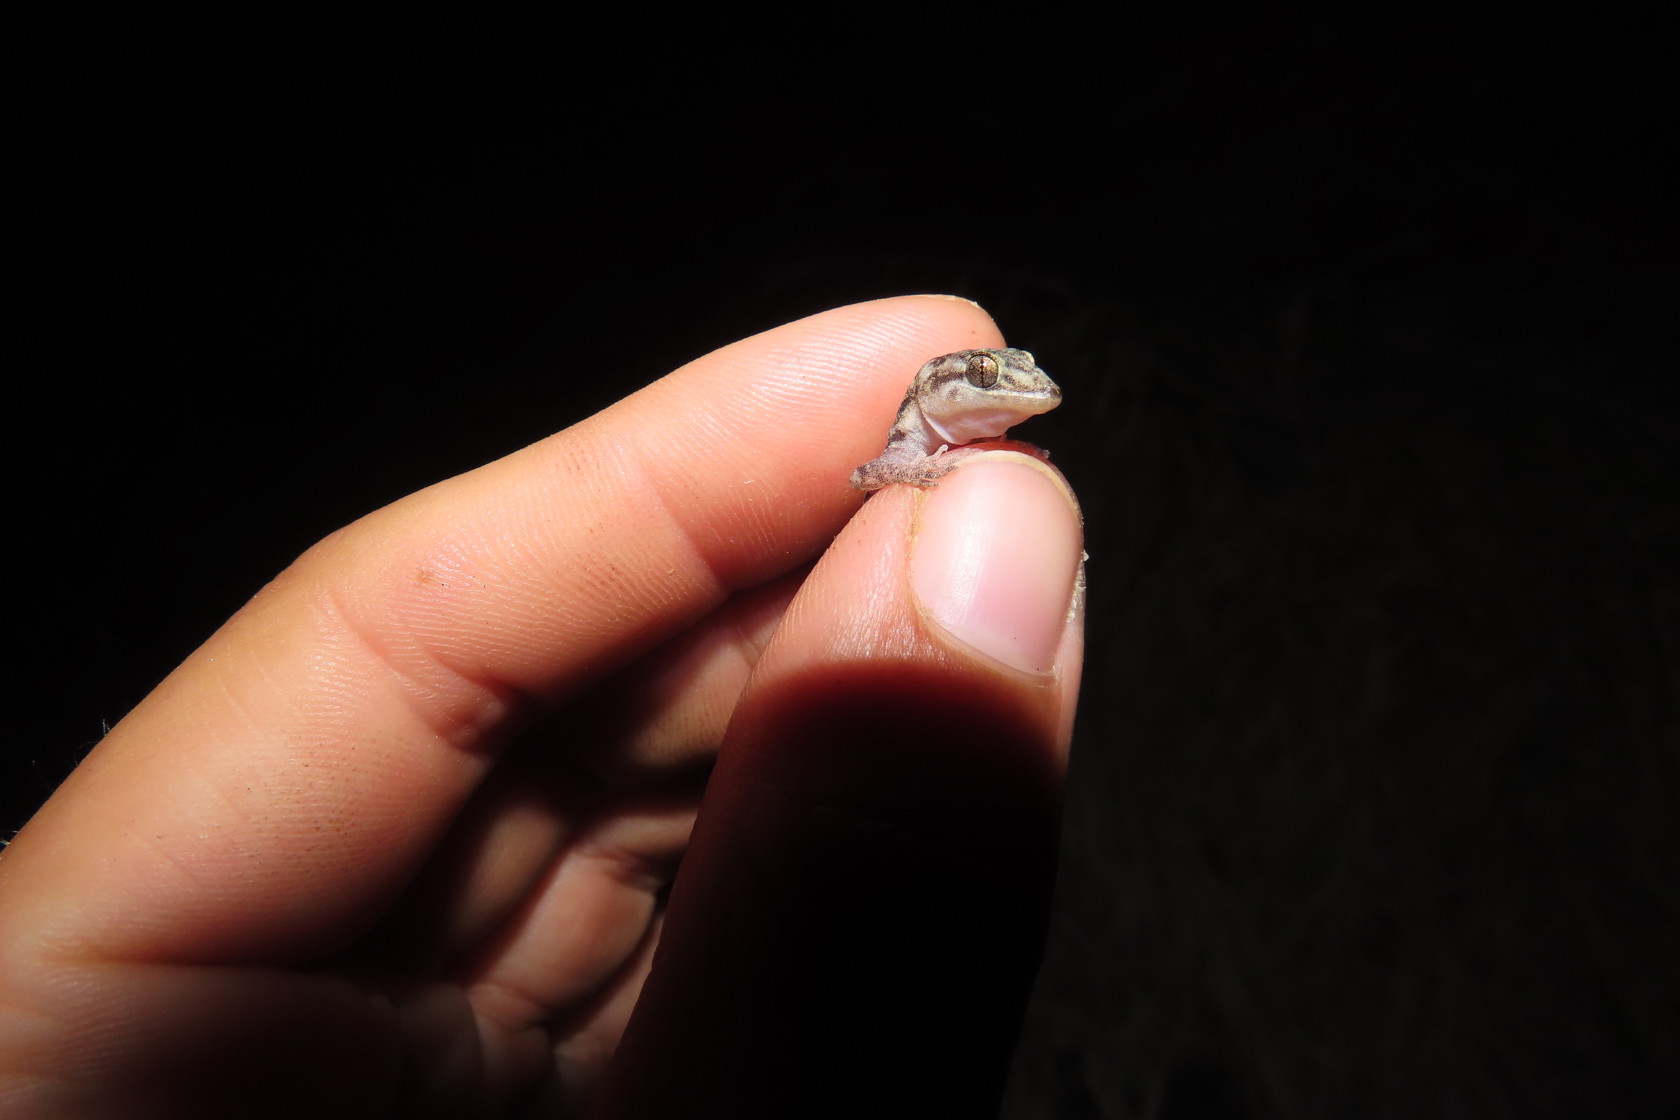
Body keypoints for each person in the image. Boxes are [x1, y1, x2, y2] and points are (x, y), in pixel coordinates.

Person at [0, 296, 1084, 1118]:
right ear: (945, 389)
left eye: (1015, 380)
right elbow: (868, 472)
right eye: (996, 378)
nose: (1015, 387)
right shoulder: (901, 449)